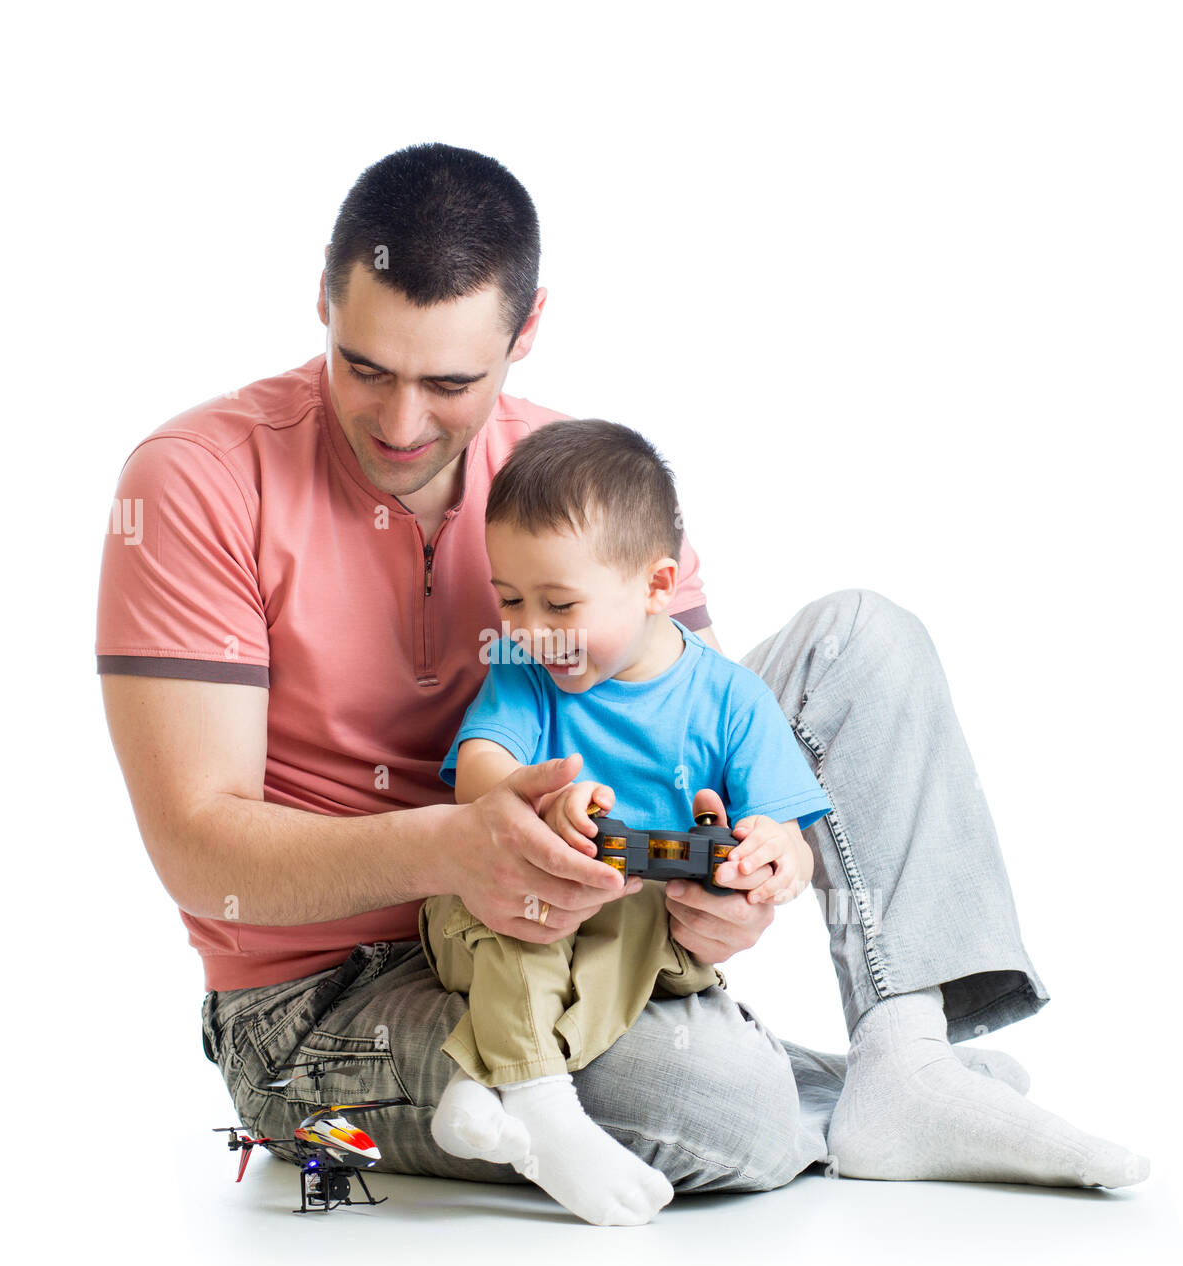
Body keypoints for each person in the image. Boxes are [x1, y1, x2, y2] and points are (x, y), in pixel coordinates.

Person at [96, 142, 1148, 1208]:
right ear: (322, 298)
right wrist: (454, 849)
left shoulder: (584, 479)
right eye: (364, 366)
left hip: (585, 923)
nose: (402, 423)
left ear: (527, 328)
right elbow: (195, 846)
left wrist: (727, 878)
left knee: (861, 640)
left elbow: (703, 724)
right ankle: (850, 1097)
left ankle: (907, 1053)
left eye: (451, 382)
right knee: (717, 1104)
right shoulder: (196, 480)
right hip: (318, 1002)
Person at [417, 416, 837, 1225]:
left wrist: (771, 859)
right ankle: (541, 1105)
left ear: (655, 585)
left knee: (628, 930)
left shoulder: (731, 699)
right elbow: (479, 775)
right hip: (513, 914)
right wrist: (541, 798)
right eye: (509, 599)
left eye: (559, 603)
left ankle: (480, 1087)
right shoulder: (525, 674)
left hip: (646, 938)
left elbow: (789, 843)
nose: (530, 629)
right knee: (522, 927)